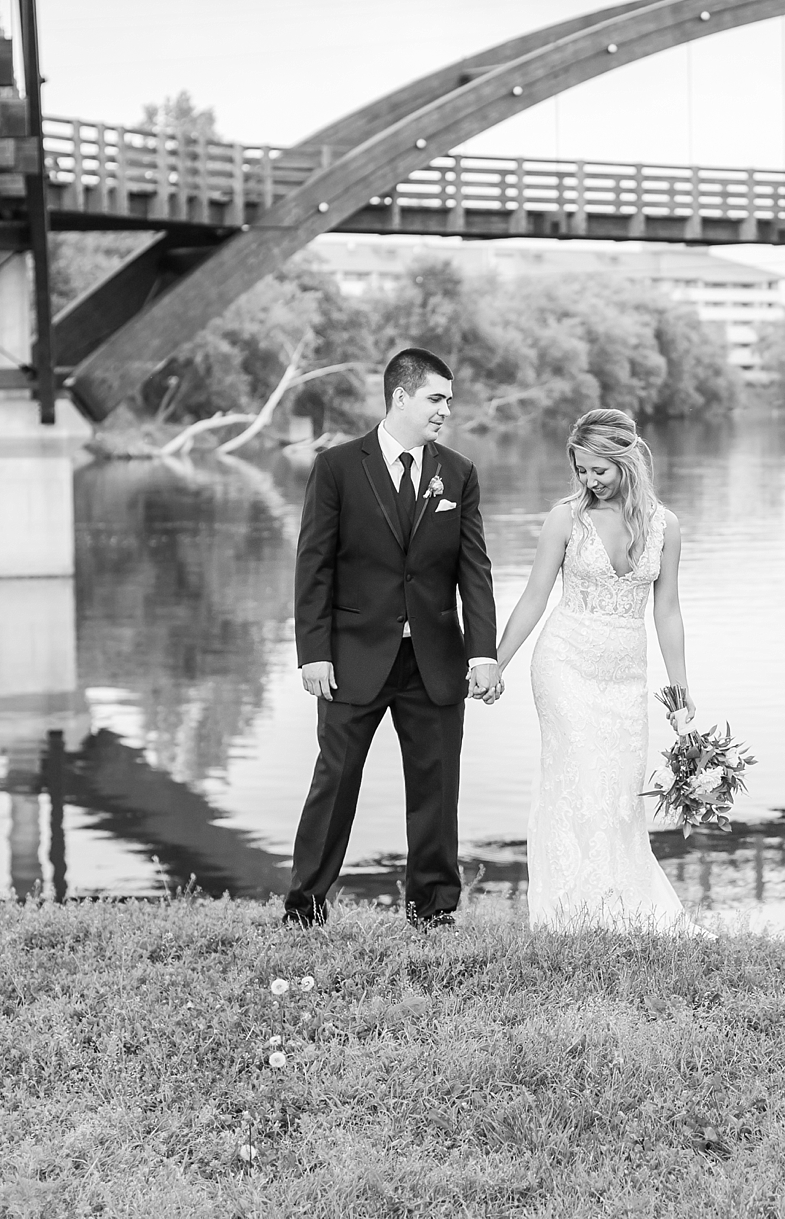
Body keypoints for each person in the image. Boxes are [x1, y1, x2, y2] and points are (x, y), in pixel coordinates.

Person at [286, 347, 499, 929]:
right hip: (352, 656)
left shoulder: (457, 473)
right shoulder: (336, 468)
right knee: (335, 782)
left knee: (436, 787)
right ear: (400, 397)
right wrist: (314, 653)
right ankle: (304, 907)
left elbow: (473, 571)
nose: (445, 412)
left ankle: (433, 910)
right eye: (436, 399)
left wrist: (483, 652)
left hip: (434, 660)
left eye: (449, 402)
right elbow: (314, 566)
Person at [487, 408, 699, 933]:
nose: (588, 481)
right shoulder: (566, 518)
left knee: (620, 792)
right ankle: (568, 912)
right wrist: (496, 661)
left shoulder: (665, 525)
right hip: (565, 663)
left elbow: (667, 610)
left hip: (626, 675)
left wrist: (680, 690)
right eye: (581, 470)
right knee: (577, 779)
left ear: (626, 460)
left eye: (598, 470)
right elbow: (536, 595)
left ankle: (616, 906)